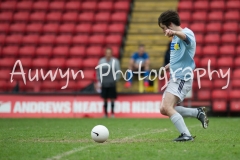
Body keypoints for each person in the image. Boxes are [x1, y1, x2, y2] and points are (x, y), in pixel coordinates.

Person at [158, 10, 209, 142]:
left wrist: (174, 32)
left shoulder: (186, 33)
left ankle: (186, 135)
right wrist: (168, 66)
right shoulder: (175, 38)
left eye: (164, 28)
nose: (164, 32)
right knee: (164, 109)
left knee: (167, 107)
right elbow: (181, 57)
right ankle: (197, 113)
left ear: (170, 24)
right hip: (175, 77)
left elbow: (186, 39)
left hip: (182, 78)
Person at [96, 47, 121, 118]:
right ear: (105, 53)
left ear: (111, 54)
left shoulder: (115, 61)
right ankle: (105, 114)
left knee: (112, 97)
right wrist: (100, 81)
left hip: (112, 83)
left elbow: (118, 72)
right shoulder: (101, 61)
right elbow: (98, 72)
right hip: (104, 83)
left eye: (109, 53)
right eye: (107, 53)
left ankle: (112, 113)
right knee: (105, 98)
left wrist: (115, 80)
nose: (108, 54)